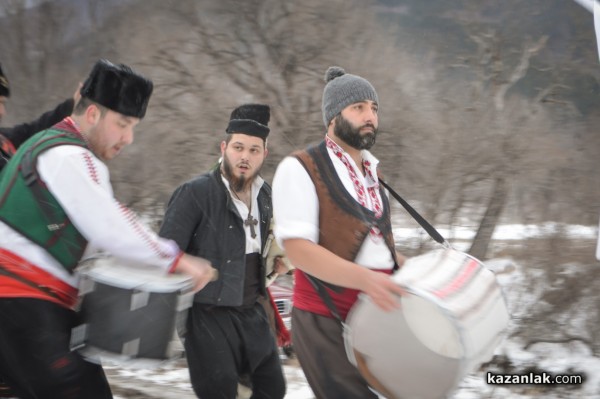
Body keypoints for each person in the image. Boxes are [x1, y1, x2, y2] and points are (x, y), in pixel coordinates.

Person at [0, 59, 215, 399]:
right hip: (24, 302)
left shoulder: (49, 146)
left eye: (133, 127)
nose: (128, 138)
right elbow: (110, 225)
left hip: (25, 306)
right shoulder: (70, 154)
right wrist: (176, 260)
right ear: (92, 114)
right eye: (123, 124)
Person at [272, 66, 407, 399]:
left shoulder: (375, 175)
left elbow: (376, 248)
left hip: (377, 316)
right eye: (358, 107)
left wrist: (418, 271)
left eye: (374, 108)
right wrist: (366, 280)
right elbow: (298, 250)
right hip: (324, 319)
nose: (370, 116)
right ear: (333, 116)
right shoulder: (300, 167)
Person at [159, 104, 286, 399]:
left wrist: (274, 263)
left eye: (254, 150)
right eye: (238, 147)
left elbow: (264, 245)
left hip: (253, 310)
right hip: (207, 314)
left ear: (264, 154)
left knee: (272, 389)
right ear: (224, 147)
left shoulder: (267, 196)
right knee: (220, 393)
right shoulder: (194, 193)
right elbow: (164, 252)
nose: (245, 156)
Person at [0, 62, 79, 171]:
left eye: (3, 103)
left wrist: (72, 105)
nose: (2, 111)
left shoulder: (4, 140)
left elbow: (33, 132)